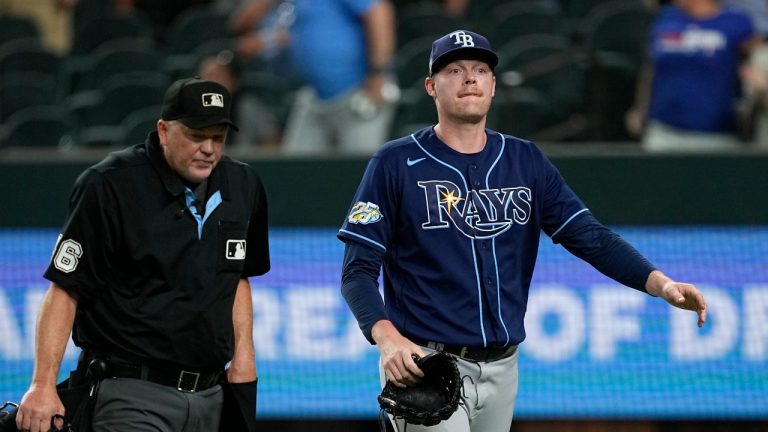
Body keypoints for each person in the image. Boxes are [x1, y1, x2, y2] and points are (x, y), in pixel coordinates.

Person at [338, 30, 708, 432]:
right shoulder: (395, 162)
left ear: (493, 85)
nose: (470, 78)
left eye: (481, 69)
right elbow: (356, 272)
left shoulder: (524, 159)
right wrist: (386, 336)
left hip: (504, 366)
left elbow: (590, 236)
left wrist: (659, 282)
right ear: (431, 86)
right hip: (427, 363)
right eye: (455, 69)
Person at [15, 77, 270, 432]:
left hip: (211, 395)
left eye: (218, 137)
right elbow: (65, 288)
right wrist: (43, 385)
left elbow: (238, 276)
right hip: (131, 392)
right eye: (197, 135)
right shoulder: (110, 185)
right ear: (164, 131)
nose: (209, 148)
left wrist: (244, 357)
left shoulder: (243, 185)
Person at [230, 0, 398, 155]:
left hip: (359, 95)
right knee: (295, 172)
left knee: (360, 172)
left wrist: (378, 73)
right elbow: (239, 24)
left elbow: (379, 11)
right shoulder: (294, 4)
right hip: (314, 96)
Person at [626, 0, 763, 152]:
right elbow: (652, 68)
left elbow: (758, 62)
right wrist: (640, 108)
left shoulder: (737, 23)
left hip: (717, 135)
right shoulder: (666, 18)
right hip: (664, 130)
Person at [198, 49, 282, 148]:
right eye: (206, 76)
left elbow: (272, 142)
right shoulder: (189, 111)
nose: (210, 82)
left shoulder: (248, 107)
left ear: (234, 81)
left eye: (218, 76)